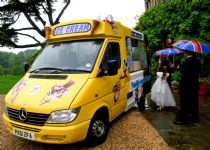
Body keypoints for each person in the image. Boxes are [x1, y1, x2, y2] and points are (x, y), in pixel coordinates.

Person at [173, 50, 201, 125]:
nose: (184, 54)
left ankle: (183, 120)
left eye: (185, 53)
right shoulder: (197, 61)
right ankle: (195, 117)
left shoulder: (186, 62)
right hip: (194, 85)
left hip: (187, 86)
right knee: (194, 102)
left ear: (187, 53)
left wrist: (180, 69)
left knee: (184, 102)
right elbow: (194, 73)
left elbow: (185, 75)